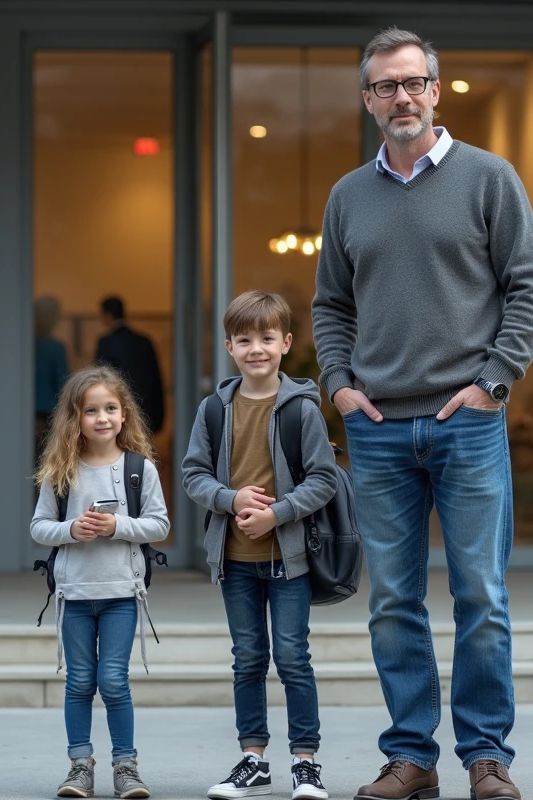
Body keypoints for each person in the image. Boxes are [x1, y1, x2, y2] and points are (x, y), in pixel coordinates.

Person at [311, 28, 533, 800]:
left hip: (468, 423)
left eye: (414, 82)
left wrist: (492, 382)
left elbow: (530, 292)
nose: (402, 97)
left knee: (481, 594)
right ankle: (411, 758)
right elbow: (330, 306)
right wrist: (341, 385)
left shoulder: (489, 178)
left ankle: (488, 758)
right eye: (385, 86)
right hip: (379, 431)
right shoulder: (348, 196)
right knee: (392, 602)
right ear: (368, 100)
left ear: (436, 90)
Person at [182, 291, 337, 800]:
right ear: (229, 345)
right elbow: (192, 475)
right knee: (248, 658)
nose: (256, 349)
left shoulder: (303, 410)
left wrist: (276, 513)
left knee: (293, 658)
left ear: (286, 343)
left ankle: (305, 763)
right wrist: (230, 499)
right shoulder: (213, 410)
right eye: (244, 339)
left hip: (287, 560)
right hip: (234, 560)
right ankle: (253, 760)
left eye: (267, 339)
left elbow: (324, 479)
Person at [31, 364, 170, 800]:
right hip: (74, 596)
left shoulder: (138, 468)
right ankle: (79, 765)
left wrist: (117, 526)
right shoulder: (61, 471)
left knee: (113, 681)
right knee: (78, 682)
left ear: (124, 414)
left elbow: (159, 525)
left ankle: (126, 766)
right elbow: (39, 528)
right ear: (76, 419)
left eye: (111, 408)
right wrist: (73, 529)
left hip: (121, 595)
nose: (103, 417)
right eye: (92, 410)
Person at [96, 296, 166, 435]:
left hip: (117, 411)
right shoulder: (144, 341)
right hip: (146, 412)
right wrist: (159, 415)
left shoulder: (106, 343)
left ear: (107, 315)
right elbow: (156, 380)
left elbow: (101, 381)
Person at [35, 295, 71, 466]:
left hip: (23, 414)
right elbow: (63, 385)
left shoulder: (23, 345)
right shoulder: (55, 348)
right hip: (49, 415)